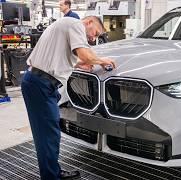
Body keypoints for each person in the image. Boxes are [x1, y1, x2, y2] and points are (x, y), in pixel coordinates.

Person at [21, 16, 115, 180]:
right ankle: (51, 176)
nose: (93, 38)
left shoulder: (64, 24)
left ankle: (53, 172)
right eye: (95, 33)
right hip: (40, 84)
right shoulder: (75, 24)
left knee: (49, 133)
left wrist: (77, 64)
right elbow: (85, 55)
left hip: (40, 83)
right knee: (48, 135)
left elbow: (57, 54)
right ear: (89, 22)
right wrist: (102, 60)